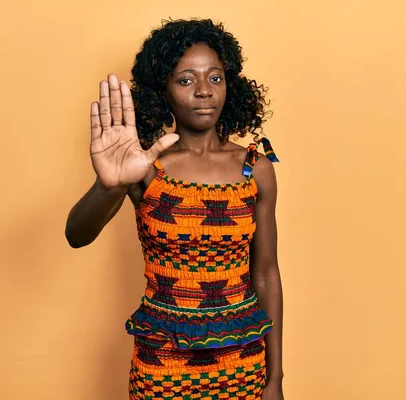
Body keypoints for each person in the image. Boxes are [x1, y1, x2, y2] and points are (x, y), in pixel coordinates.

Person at [65, 18, 284, 400]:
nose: (203, 91)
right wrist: (109, 185)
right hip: (163, 363)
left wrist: (275, 378)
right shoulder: (146, 165)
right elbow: (76, 235)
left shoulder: (256, 168)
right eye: (186, 80)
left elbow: (265, 273)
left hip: (243, 361)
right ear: (161, 91)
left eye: (215, 78)